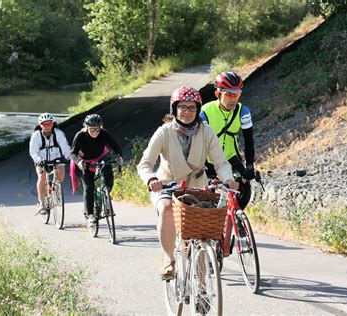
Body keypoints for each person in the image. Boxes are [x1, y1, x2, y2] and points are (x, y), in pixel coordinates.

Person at [137, 86, 238, 279]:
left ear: (198, 109)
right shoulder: (164, 132)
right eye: (182, 107)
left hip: (197, 186)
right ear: (174, 109)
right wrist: (151, 179)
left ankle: (201, 287)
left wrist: (228, 179)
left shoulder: (207, 131)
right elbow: (145, 163)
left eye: (192, 107)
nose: (187, 112)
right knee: (166, 209)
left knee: (200, 234)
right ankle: (169, 261)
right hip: (167, 185)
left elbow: (220, 161)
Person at [200, 71, 256, 210]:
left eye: (236, 95)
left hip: (231, 156)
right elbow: (198, 141)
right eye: (229, 95)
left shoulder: (243, 111)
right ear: (218, 94)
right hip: (208, 159)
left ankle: (236, 219)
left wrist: (249, 166)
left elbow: (249, 140)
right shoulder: (205, 112)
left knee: (244, 189)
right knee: (208, 195)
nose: (233, 99)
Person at [70, 114, 123, 225]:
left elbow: (115, 145)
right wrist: (79, 162)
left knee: (109, 179)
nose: (95, 132)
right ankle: (89, 215)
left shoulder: (104, 134)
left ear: (101, 127)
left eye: (97, 129)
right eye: (92, 129)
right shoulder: (80, 135)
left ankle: (105, 194)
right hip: (85, 162)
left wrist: (120, 156)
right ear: (86, 127)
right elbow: (73, 153)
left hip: (100, 158)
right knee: (89, 187)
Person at [29, 112, 71, 214]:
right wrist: (39, 160)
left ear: (52, 124)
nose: (47, 126)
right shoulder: (36, 136)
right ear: (40, 125)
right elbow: (33, 152)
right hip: (41, 160)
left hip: (55, 159)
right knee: (42, 176)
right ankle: (42, 204)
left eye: (49, 124)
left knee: (61, 170)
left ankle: (55, 189)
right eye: (45, 124)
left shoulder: (58, 134)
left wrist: (71, 158)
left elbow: (66, 148)